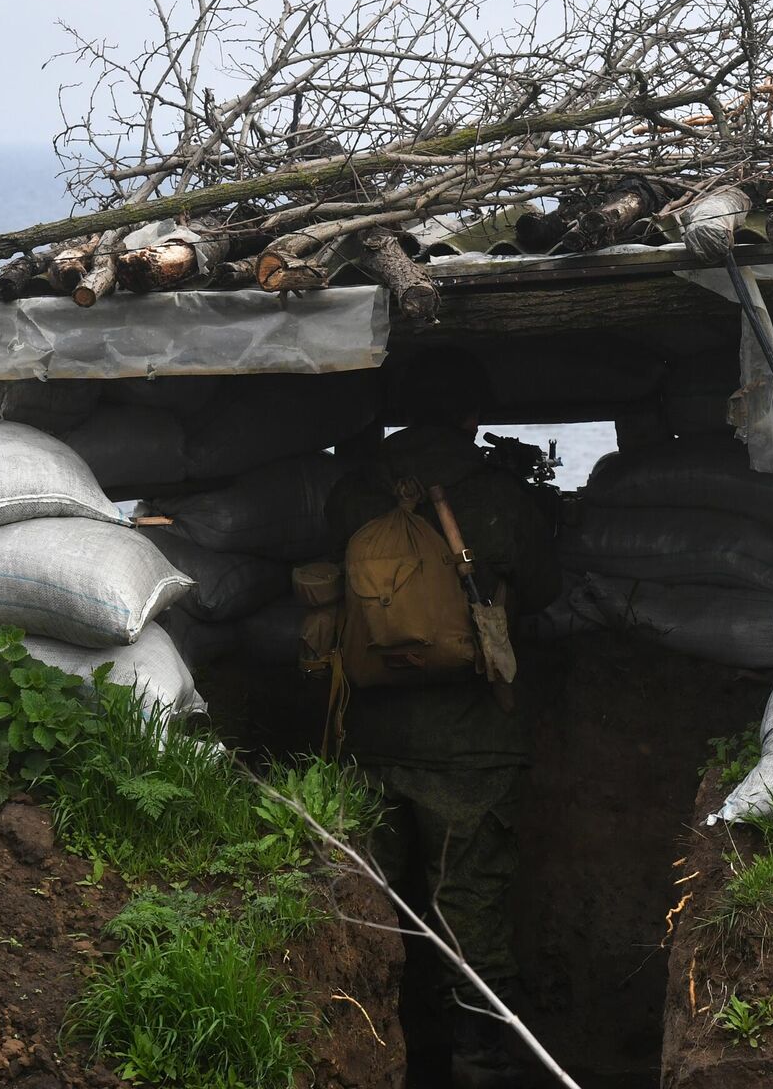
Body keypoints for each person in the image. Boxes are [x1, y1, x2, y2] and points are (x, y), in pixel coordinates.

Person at [324, 348, 560, 1089]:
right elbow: (547, 589)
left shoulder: (354, 493)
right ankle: (480, 1064)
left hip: (370, 738)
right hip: (472, 745)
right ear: (471, 414)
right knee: (468, 914)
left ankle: (377, 1054)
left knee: (371, 909)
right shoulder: (499, 495)